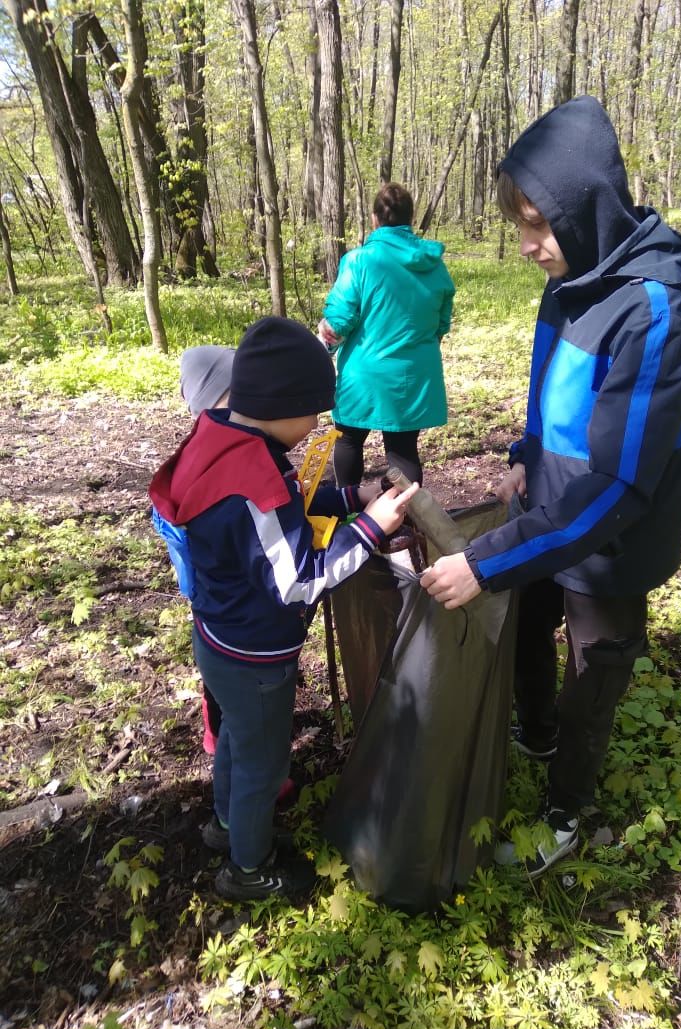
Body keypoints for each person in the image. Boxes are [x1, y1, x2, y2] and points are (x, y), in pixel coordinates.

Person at [420, 95, 681, 878]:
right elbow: (551, 380)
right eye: (520, 224)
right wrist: (524, 448)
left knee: (595, 675)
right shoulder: (571, 279)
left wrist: (485, 561)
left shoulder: (659, 314)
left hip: (609, 539)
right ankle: (535, 730)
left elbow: (618, 485)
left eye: (537, 225)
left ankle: (565, 811)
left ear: (588, 212)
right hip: (547, 507)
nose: (525, 245)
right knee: (527, 634)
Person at [150, 317, 417, 902]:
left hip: (219, 633)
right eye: (314, 412)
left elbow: (283, 510)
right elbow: (299, 581)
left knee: (238, 744)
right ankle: (249, 869)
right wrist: (372, 529)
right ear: (283, 404)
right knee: (263, 765)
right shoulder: (254, 479)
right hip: (255, 654)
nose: (318, 425)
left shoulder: (224, 435)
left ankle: (225, 826)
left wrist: (351, 498)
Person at [318, 182, 455, 488]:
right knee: (404, 448)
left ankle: (349, 511)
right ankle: (405, 526)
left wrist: (322, 343)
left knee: (349, 439)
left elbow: (338, 322)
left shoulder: (360, 261)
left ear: (374, 218)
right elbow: (441, 325)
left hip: (364, 374)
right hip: (414, 376)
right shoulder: (434, 266)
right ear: (411, 218)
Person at [178, 344, 235, 754]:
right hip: (217, 589)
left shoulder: (223, 445)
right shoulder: (209, 457)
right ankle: (221, 735)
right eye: (236, 394)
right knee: (225, 673)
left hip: (220, 586)